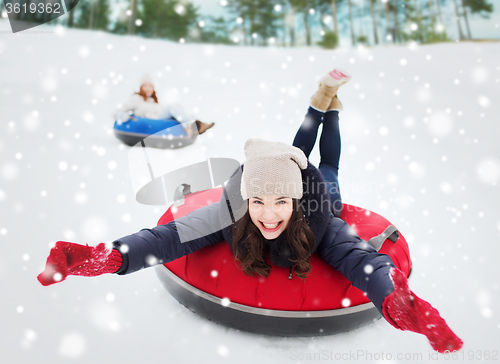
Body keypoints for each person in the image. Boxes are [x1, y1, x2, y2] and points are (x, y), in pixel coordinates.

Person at [39, 69, 463, 353]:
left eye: (280, 204)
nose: (269, 215)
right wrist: (104, 257)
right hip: (276, 168)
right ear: (246, 200)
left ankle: (326, 107)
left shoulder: (320, 220)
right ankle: (320, 100)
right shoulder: (231, 209)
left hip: (320, 188)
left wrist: (398, 301)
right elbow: (168, 237)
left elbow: (363, 262)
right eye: (258, 203)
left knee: (327, 163)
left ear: (295, 203)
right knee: (292, 151)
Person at [115, 73, 215, 135]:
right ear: (141, 88)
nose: (148, 88)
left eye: (150, 86)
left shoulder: (153, 101)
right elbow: (119, 111)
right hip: (153, 122)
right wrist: (122, 115)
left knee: (176, 106)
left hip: (161, 120)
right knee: (171, 107)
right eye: (145, 86)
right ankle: (193, 125)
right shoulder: (136, 98)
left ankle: (195, 122)